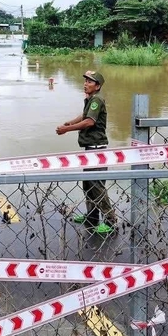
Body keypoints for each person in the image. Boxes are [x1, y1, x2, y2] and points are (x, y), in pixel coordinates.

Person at [56, 70, 117, 235]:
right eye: (85, 81)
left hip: (97, 150)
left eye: (90, 82)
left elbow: (89, 121)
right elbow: (84, 115)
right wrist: (70, 122)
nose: (86, 84)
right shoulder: (90, 100)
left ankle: (111, 222)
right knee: (88, 185)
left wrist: (67, 129)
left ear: (97, 86)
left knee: (97, 187)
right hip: (90, 149)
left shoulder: (96, 100)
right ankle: (92, 217)